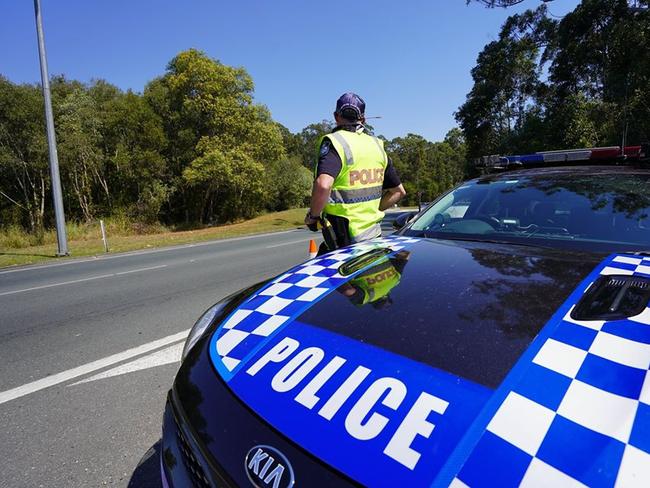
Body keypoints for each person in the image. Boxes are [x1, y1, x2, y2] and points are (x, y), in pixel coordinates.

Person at [304, 93, 406, 253]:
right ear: (363, 120)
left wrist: (313, 216)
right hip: (374, 239)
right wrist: (372, 209)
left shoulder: (335, 142)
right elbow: (399, 192)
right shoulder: (377, 146)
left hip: (344, 244)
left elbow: (323, 185)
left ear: (336, 116)